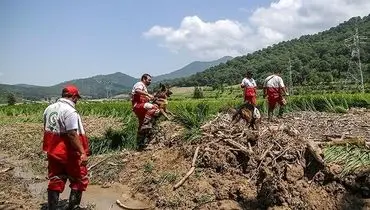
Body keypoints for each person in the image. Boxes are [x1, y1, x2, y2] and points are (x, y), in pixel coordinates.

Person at [43, 85, 89, 210]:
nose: (77, 100)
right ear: (74, 97)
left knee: (56, 179)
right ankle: (73, 207)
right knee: (79, 178)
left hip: (53, 151)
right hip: (68, 152)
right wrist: (82, 152)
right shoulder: (70, 111)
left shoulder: (49, 109)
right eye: (77, 98)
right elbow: (72, 134)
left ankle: (52, 207)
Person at [131, 74, 160, 150]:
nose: (150, 82)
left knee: (141, 125)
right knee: (154, 108)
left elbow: (146, 99)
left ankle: (140, 144)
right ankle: (147, 124)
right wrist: (148, 94)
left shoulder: (145, 88)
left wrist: (152, 98)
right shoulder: (139, 84)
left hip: (141, 107)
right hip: (138, 105)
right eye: (149, 80)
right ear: (144, 79)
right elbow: (137, 91)